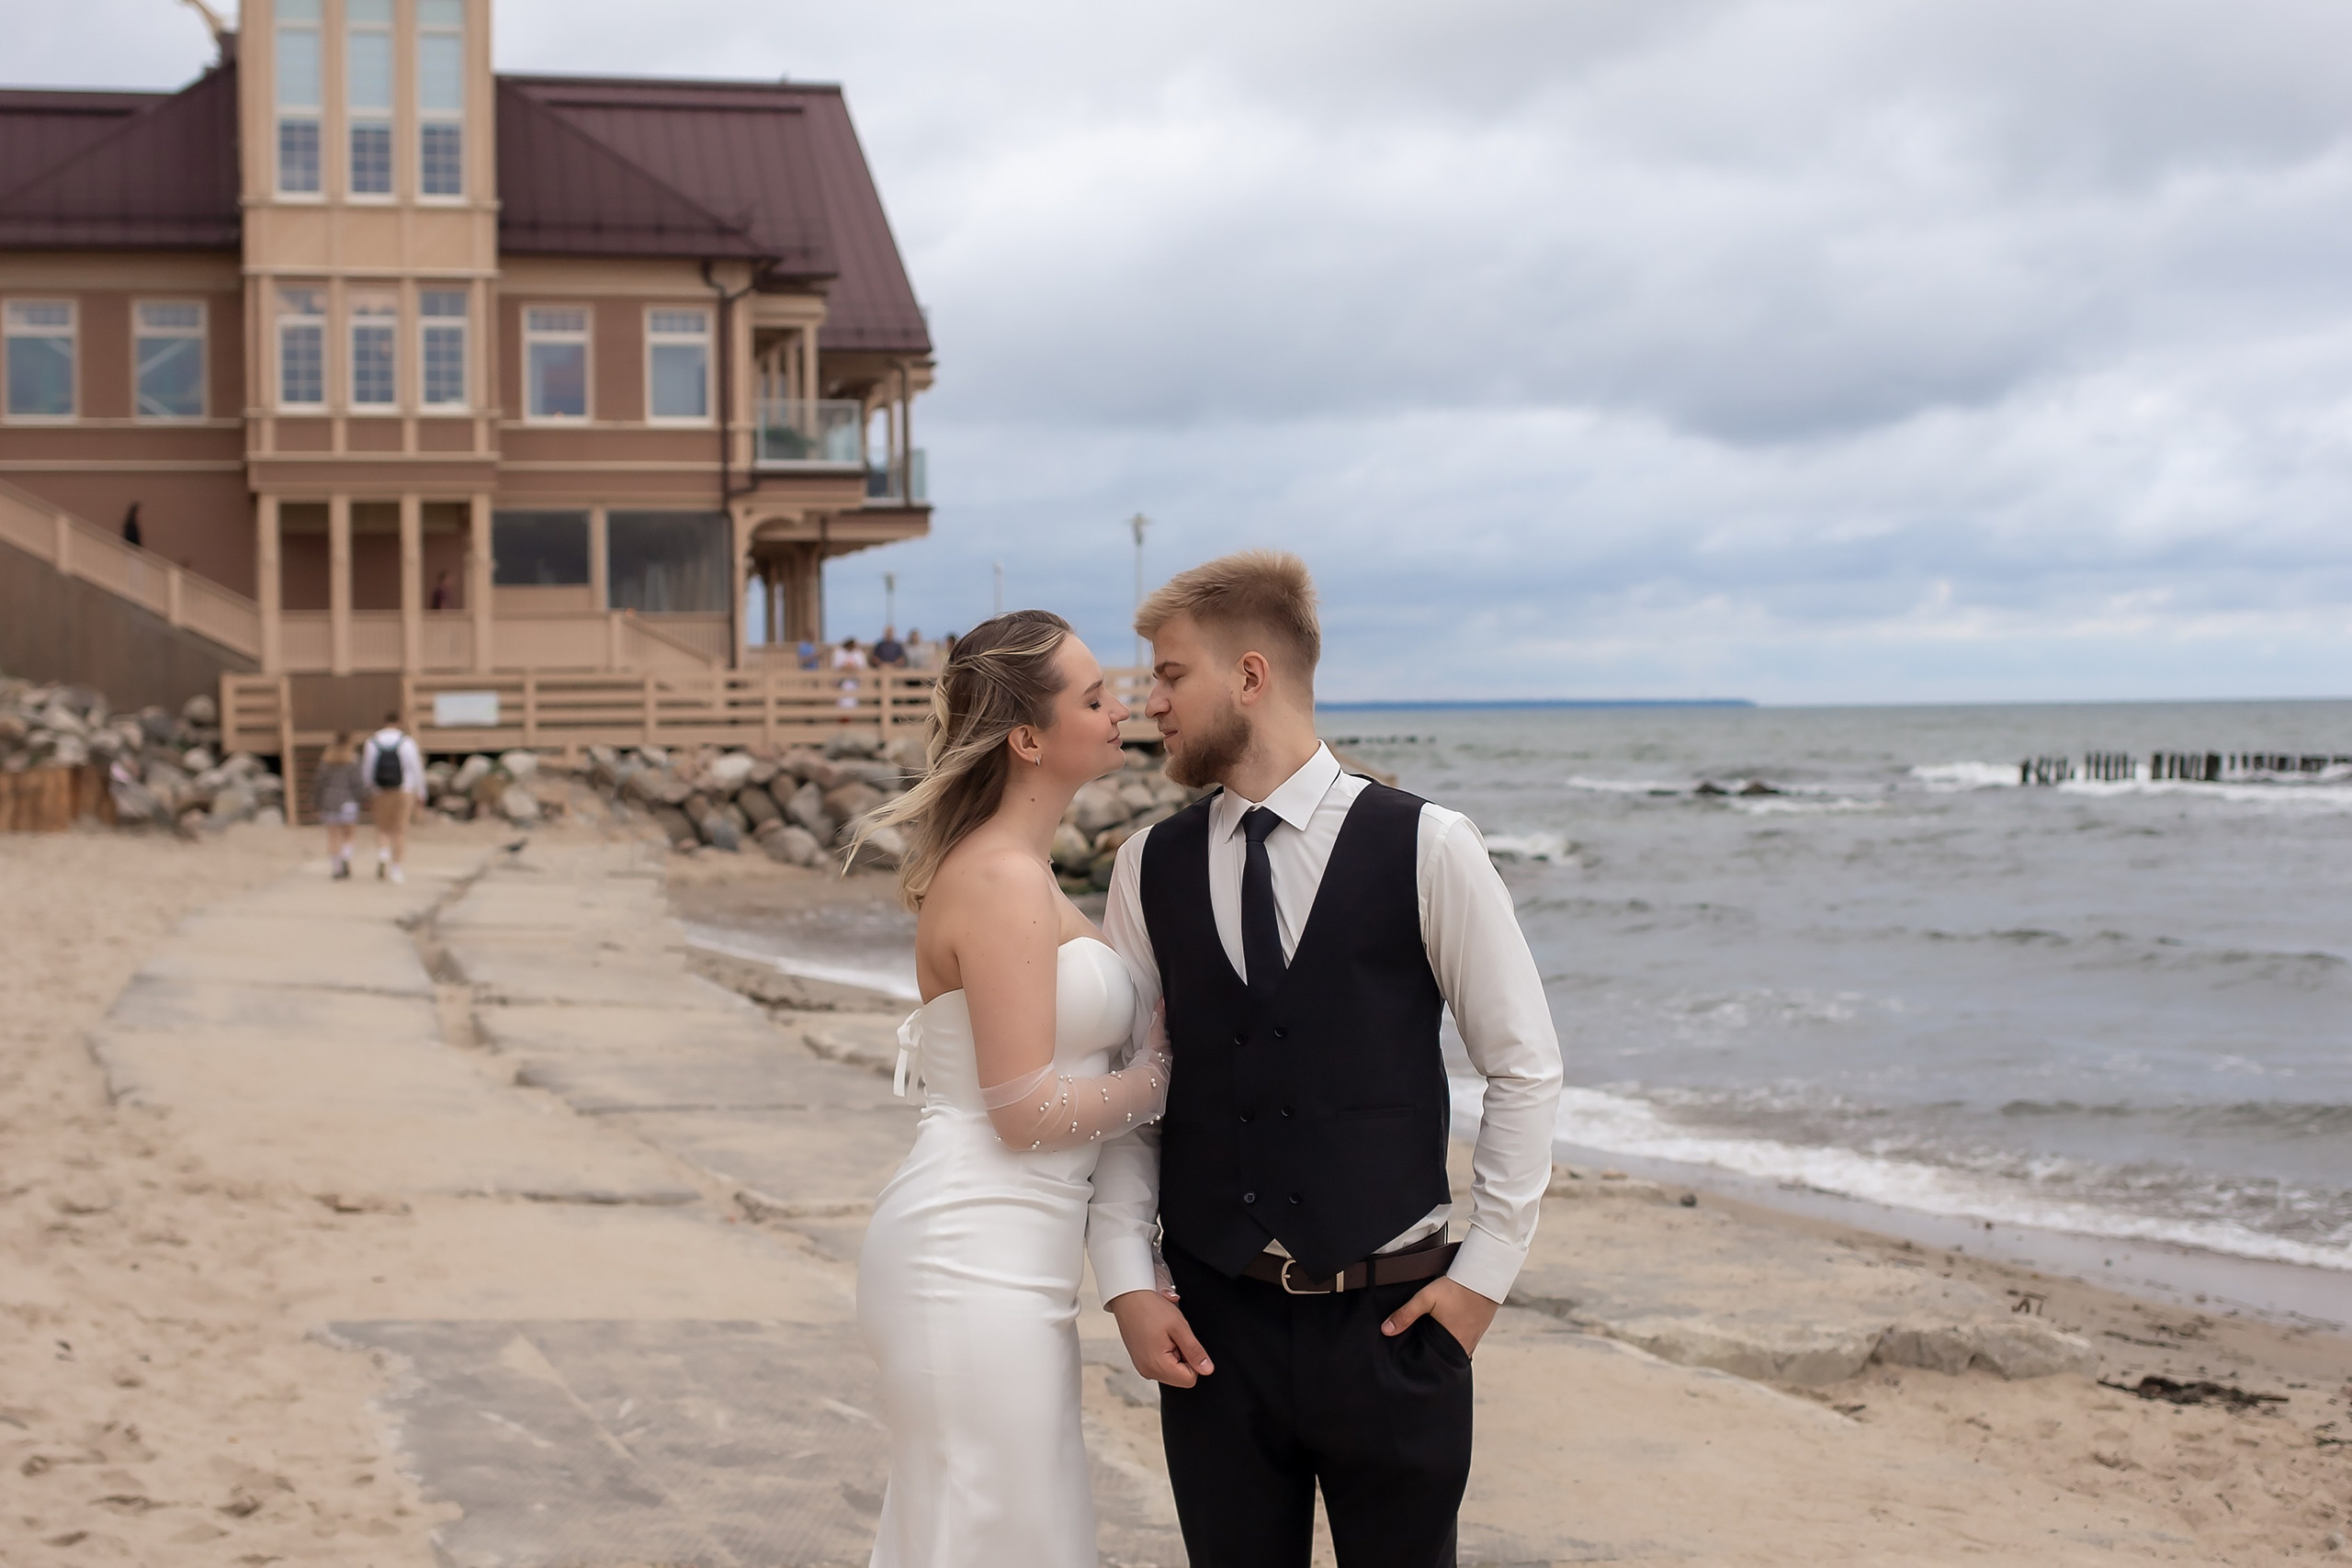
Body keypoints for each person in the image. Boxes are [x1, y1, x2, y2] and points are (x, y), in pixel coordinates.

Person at [1091, 550, 1563, 1568]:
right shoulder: (1148, 864)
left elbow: (1522, 1065)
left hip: (1392, 1328)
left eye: (1170, 675)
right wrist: (1128, 1280)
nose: (1151, 702)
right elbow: (1137, 1090)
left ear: (1249, 676)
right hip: (1212, 1329)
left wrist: (1483, 1278)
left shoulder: (1429, 845)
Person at [852, 612, 1169, 1567]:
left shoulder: (1022, 872)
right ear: (1028, 739)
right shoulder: (997, 878)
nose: (1121, 706)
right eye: (1093, 695)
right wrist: (1162, 1078)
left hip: (1018, 1257)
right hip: (967, 1252)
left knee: (1007, 1526)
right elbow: (1024, 1108)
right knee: (990, 1527)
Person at [358, 712, 424, 884]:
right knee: (400, 830)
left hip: (380, 791)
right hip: (404, 790)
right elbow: (415, 768)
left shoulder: (372, 742)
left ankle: (383, 853)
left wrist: (368, 788)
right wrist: (421, 792)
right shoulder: (407, 742)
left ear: (384, 721)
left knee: (382, 827)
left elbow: (368, 769)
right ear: (399, 722)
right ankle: (396, 869)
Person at [313, 731, 365, 880]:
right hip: (348, 801)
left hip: (329, 801)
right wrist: (362, 798)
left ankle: (336, 867)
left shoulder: (326, 760)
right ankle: (345, 855)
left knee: (333, 836)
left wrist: (316, 802)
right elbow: (358, 783)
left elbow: (319, 783)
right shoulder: (353, 760)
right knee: (349, 834)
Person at [832, 636, 868, 718]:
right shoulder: (839, 652)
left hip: (854, 683)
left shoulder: (859, 653)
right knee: (842, 704)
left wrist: (852, 667)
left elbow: (861, 666)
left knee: (853, 703)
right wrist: (847, 667)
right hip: (842, 683)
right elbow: (837, 666)